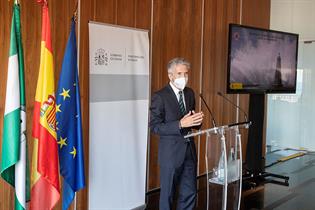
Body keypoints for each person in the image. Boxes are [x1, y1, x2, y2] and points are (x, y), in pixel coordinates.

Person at [150, 57, 204, 210]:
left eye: (186, 74)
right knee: (168, 195)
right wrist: (180, 124)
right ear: (170, 75)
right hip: (171, 153)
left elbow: (191, 121)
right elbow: (155, 127)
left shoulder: (190, 93)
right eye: (179, 74)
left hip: (189, 151)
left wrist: (197, 121)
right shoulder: (160, 96)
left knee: (190, 192)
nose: (183, 78)